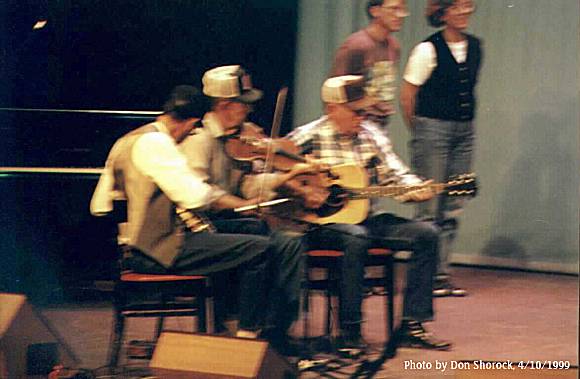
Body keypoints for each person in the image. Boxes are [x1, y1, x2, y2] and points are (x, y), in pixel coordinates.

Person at [89, 85, 293, 349]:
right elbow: (194, 196)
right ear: (192, 122)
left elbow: (100, 205)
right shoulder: (157, 143)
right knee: (259, 249)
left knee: (249, 231)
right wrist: (239, 202)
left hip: (138, 247)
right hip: (158, 250)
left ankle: (229, 324)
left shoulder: (128, 139)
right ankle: (247, 339)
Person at [286, 75, 452, 352]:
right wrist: (303, 189)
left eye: (364, 111)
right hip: (321, 225)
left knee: (427, 233)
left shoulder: (372, 136)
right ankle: (350, 331)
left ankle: (412, 324)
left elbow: (395, 175)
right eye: (355, 111)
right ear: (331, 109)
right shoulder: (307, 137)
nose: (361, 117)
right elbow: (270, 170)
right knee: (356, 237)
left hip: (367, 217)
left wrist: (416, 189)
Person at [179, 66, 308, 354]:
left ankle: (276, 330)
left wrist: (283, 178)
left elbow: (248, 185)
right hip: (205, 227)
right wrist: (239, 204)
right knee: (261, 242)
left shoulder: (237, 139)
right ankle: (247, 328)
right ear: (225, 106)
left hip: (236, 222)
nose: (249, 111)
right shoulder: (199, 141)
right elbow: (199, 194)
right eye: (243, 104)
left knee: (289, 242)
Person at [400, 0, 482, 297]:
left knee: (454, 203)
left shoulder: (475, 46)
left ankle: (441, 274)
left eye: (468, 7)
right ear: (443, 13)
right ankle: (422, 276)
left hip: (464, 131)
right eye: (457, 8)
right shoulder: (427, 49)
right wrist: (421, 131)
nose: (464, 13)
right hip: (432, 128)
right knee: (429, 205)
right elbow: (408, 95)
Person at [331, 0, 410, 129]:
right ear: (375, 11)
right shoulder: (356, 45)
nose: (400, 15)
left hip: (380, 121)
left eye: (403, 10)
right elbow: (333, 89)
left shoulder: (394, 46)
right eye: (394, 9)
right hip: (354, 121)